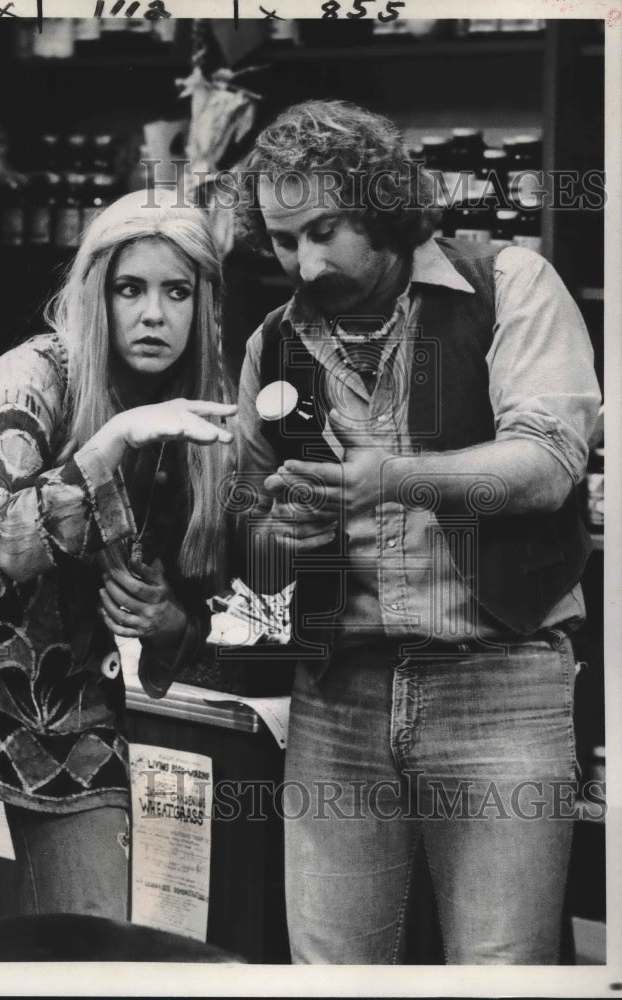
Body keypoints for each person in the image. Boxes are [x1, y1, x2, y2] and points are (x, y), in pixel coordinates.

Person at [232, 100, 601, 964]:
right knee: (328, 972)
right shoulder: (273, 341)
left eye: (325, 228)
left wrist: (393, 478)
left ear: (385, 203)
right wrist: (282, 527)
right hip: (336, 695)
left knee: (501, 971)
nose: (305, 262)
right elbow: (246, 522)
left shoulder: (509, 283)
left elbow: (546, 462)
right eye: (285, 239)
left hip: (500, 681)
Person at [0, 188, 236, 932]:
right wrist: (114, 441)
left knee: (93, 959)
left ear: (202, 304)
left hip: (79, 706)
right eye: (130, 288)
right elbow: (10, 543)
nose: (153, 313)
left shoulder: (201, 408)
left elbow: (210, 607)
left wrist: (171, 619)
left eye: (176, 291)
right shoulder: (29, 380)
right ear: (96, 293)